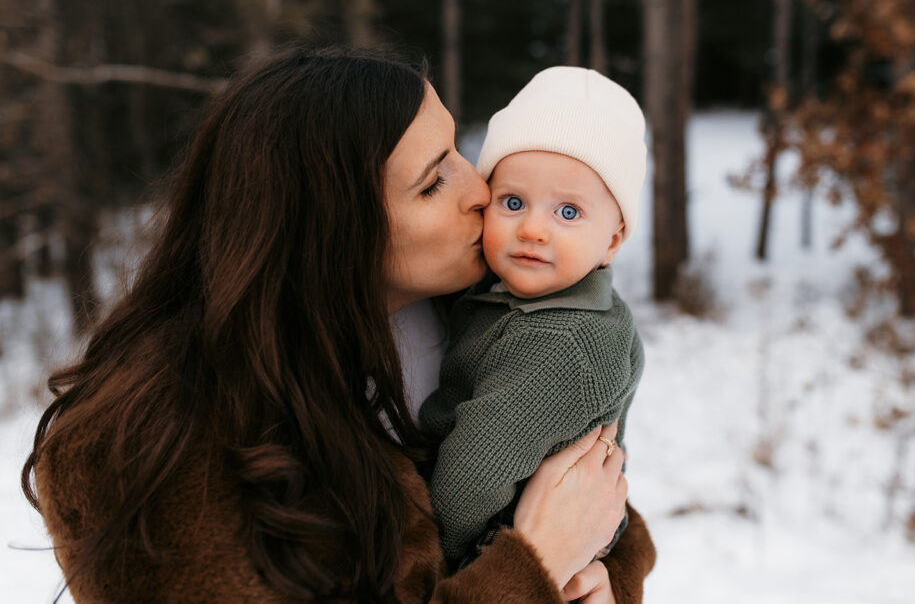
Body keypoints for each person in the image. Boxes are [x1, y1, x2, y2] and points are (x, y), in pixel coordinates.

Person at [21, 46, 656, 603]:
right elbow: (540, 541)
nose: (484, 191)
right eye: (435, 181)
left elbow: (579, 499)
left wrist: (603, 579)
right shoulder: (147, 452)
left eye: (460, 152)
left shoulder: (467, 316)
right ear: (331, 231)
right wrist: (532, 573)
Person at [419, 67, 646, 568]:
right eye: (514, 202)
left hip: (496, 547)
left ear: (613, 239)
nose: (533, 230)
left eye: (568, 212)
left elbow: (474, 473)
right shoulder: (505, 292)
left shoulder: (563, 341)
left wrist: (435, 567)